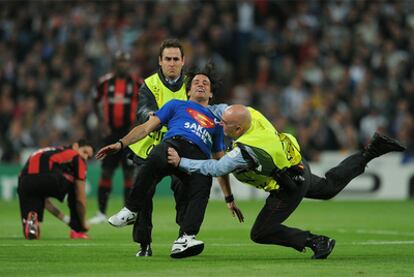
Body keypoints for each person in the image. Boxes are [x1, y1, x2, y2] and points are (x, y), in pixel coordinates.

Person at [167, 104, 406, 259]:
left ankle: (316, 242)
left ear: (238, 128)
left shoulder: (247, 150)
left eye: (225, 125)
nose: (220, 125)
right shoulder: (252, 116)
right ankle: (372, 150)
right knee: (329, 188)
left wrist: (181, 163)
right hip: (296, 166)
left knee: (260, 232)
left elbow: (216, 167)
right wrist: (200, 108)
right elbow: (223, 110)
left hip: (286, 187)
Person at [96, 65, 243, 259]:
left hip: (197, 158)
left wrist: (229, 198)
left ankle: (186, 237)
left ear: (211, 94)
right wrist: (120, 144)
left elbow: (220, 162)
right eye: (196, 82)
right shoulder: (176, 105)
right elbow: (146, 128)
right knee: (156, 156)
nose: (200, 85)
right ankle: (131, 210)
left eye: (205, 83)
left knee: (203, 185)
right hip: (174, 145)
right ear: (188, 90)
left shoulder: (217, 124)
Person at [126, 38, 189, 257]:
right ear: (160, 62)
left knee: (185, 190)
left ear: (183, 61)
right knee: (142, 194)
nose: (172, 63)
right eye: (168, 59)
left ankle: (185, 236)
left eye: (176, 59)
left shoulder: (193, 85)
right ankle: (144, 244)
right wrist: (151, 116)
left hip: (180, 148)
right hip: (149, 148)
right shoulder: (150, 84)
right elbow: (142, 109)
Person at [89, 50, 143, 224]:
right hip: (110, 133)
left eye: (125, 61)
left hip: (129, 134)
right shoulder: (104, 82)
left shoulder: (137, 83)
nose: (122, 64)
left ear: (129, 63)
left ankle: (128, 212)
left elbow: (146, 103)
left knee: (129, 173)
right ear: (115, 63)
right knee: (106, 171)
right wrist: (101, 122)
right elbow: (94, 100)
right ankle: (100, 212)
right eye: (119, 61)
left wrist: (138, 122)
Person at [17, 139, 94, 240]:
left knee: (35, 205)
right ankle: (77, 231)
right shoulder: (76, 157)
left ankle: (31, 221)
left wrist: (66, 220)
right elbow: (80, 198)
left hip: (24, 181)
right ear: (75, 146)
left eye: (89, 157)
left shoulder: (51, 151)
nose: (85, 157)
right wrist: (83, 223)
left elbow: (46, 203)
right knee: (75, 185)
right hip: (48, 178)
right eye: (85, 152)